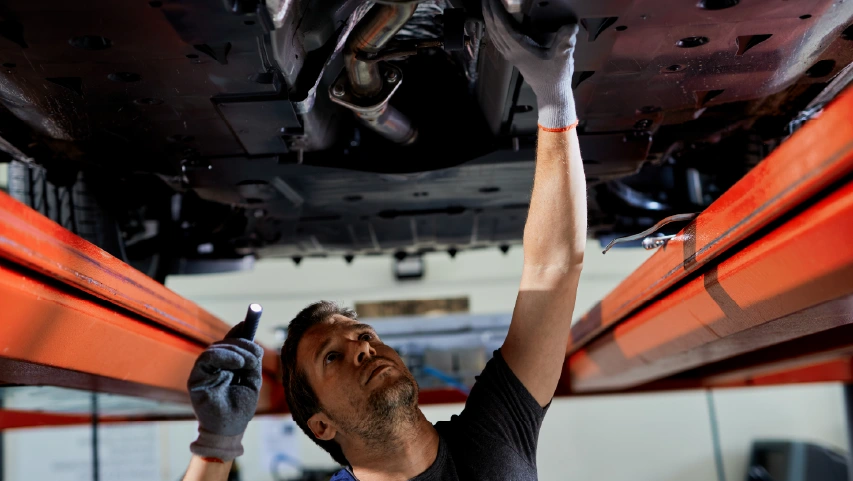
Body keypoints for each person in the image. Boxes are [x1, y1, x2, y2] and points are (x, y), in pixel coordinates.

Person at [182, 0, 585, 478]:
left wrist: (215, 446)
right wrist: (555, 96)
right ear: (322, 425)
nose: (364, 347)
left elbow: (550, 271)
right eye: (335, 355)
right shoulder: (495, 440)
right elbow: (555, 272)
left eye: (362, 337)